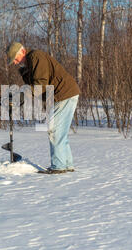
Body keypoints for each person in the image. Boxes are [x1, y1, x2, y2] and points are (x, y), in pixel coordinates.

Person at [6, 42, 81, 173]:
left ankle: (59, 167)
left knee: (54, 130)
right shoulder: (31, 61)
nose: (15, 63)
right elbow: (34, 84)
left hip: (63, 94)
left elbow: (41, 84)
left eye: (16, 59)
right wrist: (24, 75)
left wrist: (24, 94)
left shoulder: (36, 56)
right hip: (64, 94)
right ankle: (67, 165)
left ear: (22, 52)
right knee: (60, 132)